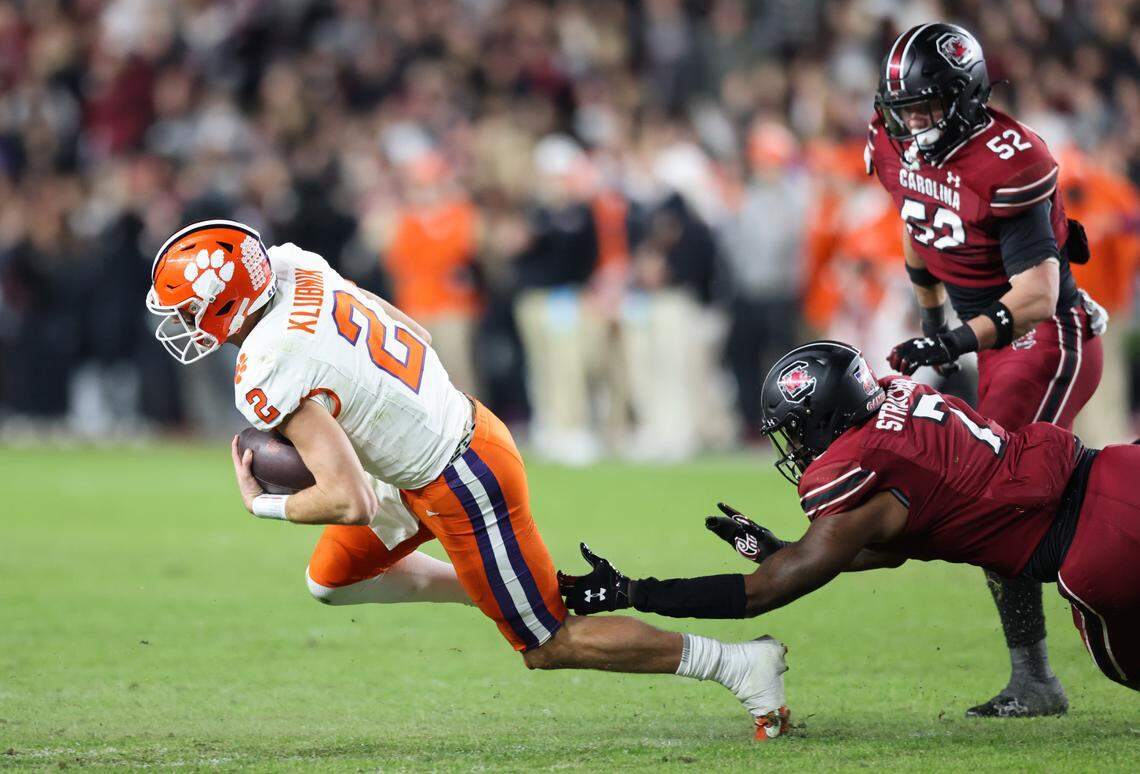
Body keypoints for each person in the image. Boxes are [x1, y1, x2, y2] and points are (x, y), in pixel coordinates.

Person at [144, 219, 791, 740]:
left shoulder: (266, 364)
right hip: (428, 442)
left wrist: (264, 504)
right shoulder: (291, 266)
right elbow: (414, 333)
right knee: (330, 582)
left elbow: (348, 498)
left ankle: (738, 665)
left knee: (547, 643)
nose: (185, 324)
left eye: (192, 309)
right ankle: (511, 588)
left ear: (228, 303)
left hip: (460, 477)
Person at [559, 341, 1139, 699]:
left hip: (1098, 551)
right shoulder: (895, 396)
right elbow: (887, 547)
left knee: (1122, 666)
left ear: (826, 419)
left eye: (795, 429)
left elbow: (762, 594)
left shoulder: (863, 469)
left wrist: (634, 590)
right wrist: (783, 548)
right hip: (1117, 469)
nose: (793, 445)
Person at [867, 23, 1107, 716]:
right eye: (902, 108)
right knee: (1011, 493)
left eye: (927, 106)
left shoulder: (1010, 158)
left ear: (966, 97)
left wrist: (951, 344)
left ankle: (1037, 677)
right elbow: (918, 222)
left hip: (1044, 334)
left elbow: (1037, 296)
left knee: (997, 493)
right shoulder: (892, 143)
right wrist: (930, 313)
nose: (912, 121)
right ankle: (1035, 675)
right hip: (986, 337)